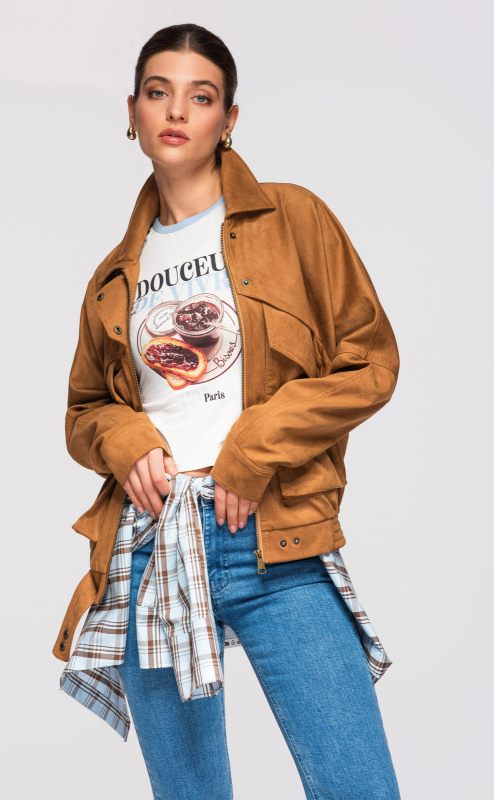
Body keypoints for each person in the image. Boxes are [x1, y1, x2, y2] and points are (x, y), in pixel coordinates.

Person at [53, 22, 402, 800]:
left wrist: (254, 447)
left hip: (273, 540)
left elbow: (370, 362)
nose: (177, 110)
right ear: (133, 113)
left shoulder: (294, 219)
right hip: (151, 548)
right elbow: (83, 410)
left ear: (229, 118)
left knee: (358, 787)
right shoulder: (112, 278)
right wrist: (124, 438)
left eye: (200, 96)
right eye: (158, 92)